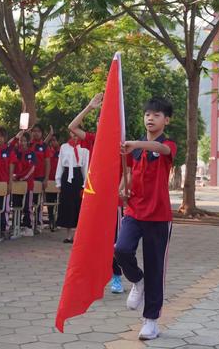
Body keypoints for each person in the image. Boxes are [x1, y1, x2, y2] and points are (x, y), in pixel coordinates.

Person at [114, 97, 176, 341]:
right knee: (121, 249)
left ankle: (151, 321)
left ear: (166, 120)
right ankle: (137, 280)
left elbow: (163, 150)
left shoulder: (167, 144)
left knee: (155, 269)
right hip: (134, 211)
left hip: (159, 216)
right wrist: (122, 188)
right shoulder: (135, 149)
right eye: (147, 114)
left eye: (157, 115)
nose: (150, 118)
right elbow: (127, 172)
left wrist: (135, 143)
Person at [68, 93, 124, 293]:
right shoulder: (93, 140)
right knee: (91, 240)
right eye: (100, 121)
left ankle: (116, 276)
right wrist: (90, 107)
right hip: (94, 199)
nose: (102, 124)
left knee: (115, 242)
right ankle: (90, 278)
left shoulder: (121, 145)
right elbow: (72, 128)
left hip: (114, 202)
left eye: (106, 121)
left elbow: (129, 171)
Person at [55, 133, 89, 243]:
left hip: (78, 176)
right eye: (73, 134)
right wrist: (58, 182)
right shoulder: (64, 147)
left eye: (77, 134)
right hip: (66, 177)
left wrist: (85, 183)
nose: (75, 136)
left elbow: (85, 167)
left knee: (77, 205)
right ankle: (68, 235)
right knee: (67, 205)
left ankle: (77, 234)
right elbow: (60, 164)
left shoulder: (84, 148)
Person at [13, 132, 36, 236]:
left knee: (27, 206)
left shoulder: (31, 153)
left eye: (23, 140)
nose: (21, 143)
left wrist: (22, 177)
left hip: (27, 184)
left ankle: (28, 227)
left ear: (27, 141)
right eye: (20, 140)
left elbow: (31, 168)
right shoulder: (16, 152)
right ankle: (16, 226)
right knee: (16, 205)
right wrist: (14, 176)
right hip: (16, 183)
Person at [68, 93, 103, 159]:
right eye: (99, 120)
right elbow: (72, 127)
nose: (100, 123)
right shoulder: (93, 138)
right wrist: (89, 107)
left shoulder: (116, 142)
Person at [30, 124, 50, 230]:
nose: (36, 133)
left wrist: (46, 178)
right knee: (29, 201)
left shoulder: (44, 146)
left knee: (38, 201)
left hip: (40, 177)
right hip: (29, 177)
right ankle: (28, 222)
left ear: (42, 133)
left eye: (38, 131)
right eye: (34, 131)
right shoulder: (28, 144)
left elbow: (47, 163)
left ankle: (38, 223)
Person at [45, 129, 60, 231]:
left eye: (54, 140)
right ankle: (51, 220)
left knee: (58, 202)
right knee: (49, 202)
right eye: (51, 140)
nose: (53, 142)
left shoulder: (62, 151)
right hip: (49, 180)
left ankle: (57, 221)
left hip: (58, 181)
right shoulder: (48, 151)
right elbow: (43, 144)